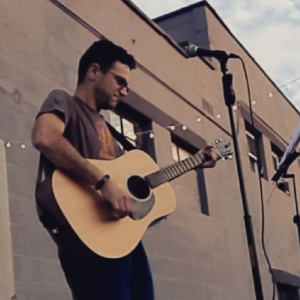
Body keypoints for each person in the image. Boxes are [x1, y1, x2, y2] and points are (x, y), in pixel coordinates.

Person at [31, 39, 220, 300]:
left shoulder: (111, 132)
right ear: (94, 72)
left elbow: (131, 193)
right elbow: (46, 138)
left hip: (122, 242)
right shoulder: (64, 101)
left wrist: (198, 160)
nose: (125, 91)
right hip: (89, 243)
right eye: (120, 81)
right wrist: (103, 183)